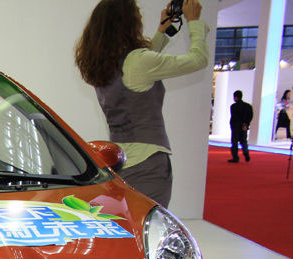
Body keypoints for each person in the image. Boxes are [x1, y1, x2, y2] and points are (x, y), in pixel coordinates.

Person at [75, 0, 209, 208]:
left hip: (118, 162)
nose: (140, 19)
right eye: (137, 15)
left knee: (127, 219)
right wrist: (194, 22)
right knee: (149, 221)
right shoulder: (138, 62)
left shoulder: (104, 64)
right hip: (148, 164)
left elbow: (141, 65)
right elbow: (198, 59)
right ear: (129, 23)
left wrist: (162, 32)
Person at [228, 90, 253, 163]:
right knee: (244, 140)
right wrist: (246, 124)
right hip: (244, 126)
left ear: (236, 97)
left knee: (234, 142)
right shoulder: (248, 106)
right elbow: (250, 116)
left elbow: (234, 117)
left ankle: (235, 157)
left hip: (236, 126)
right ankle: (245, 152)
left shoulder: (233, 106)